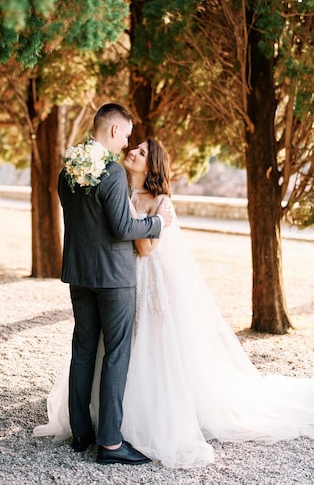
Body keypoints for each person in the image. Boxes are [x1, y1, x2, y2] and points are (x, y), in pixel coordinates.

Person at [34, 137, 314, 469]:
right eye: (134, 147)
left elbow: (146, 249)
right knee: (111, 348)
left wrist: (141, 217)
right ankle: (104, 423)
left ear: (152, 166)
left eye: (141, 152)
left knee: (141, 347)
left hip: (144, 279)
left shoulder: (160, 201)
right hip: (116, 279)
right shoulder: (116, 187)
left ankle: (138, 422)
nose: (133, 152)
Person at [45, 103, 172, 466]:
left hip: (79, 274)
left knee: (84, 349)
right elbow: (122, 227)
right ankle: (111, 444)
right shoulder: (112, 173)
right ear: (115, 131)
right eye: (128, 135)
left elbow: (83, 222)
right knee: (116, 354)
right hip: (115, 278)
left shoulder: (68, 169)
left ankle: (81, 432)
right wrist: (158, 224)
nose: (128, 143)